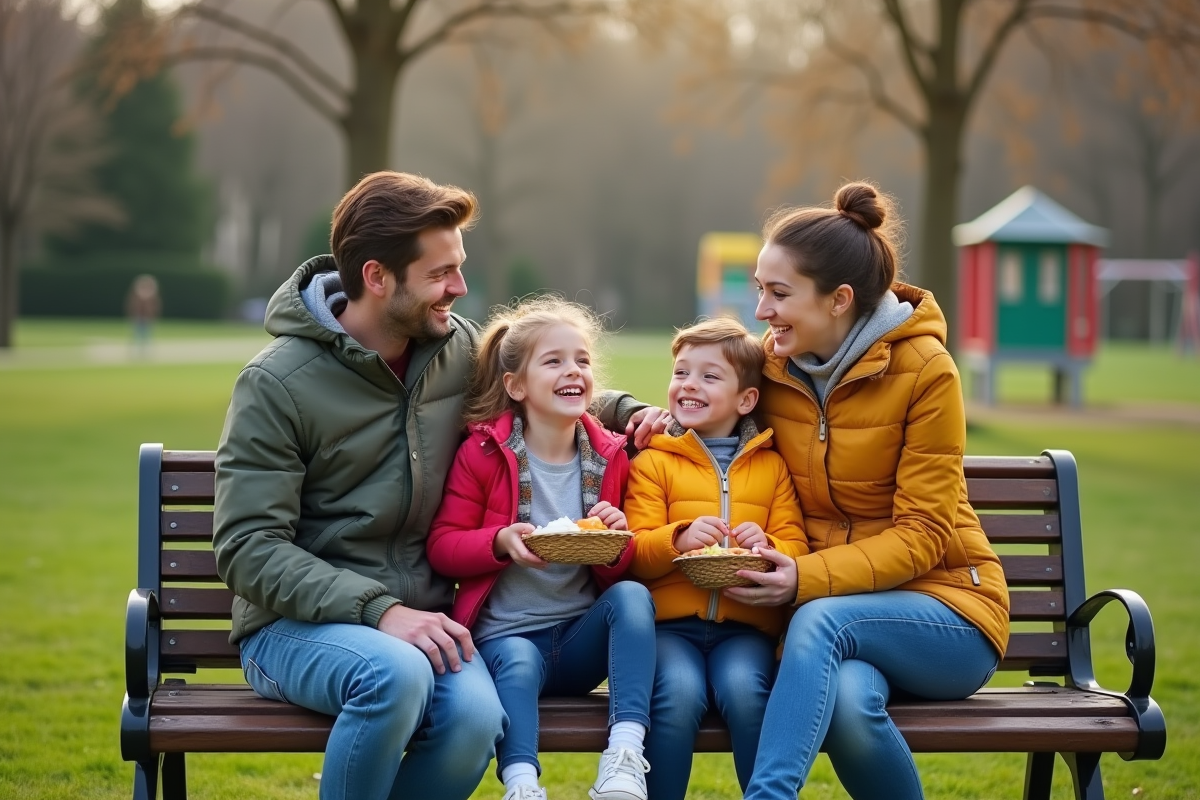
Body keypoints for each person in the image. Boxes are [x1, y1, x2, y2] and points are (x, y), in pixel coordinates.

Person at [213, 171, 668, 800]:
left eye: (459, 267)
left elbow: (542, 383)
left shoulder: (452, 348)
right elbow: (247, 547)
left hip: (427, 623)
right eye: (440, 274)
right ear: (377, 278)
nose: (458, 287)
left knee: (478, 718)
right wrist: (380, 611)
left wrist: (630, 410)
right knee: (396, 675)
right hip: (296, 626)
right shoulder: (276, 384)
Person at [728, 181, 1011, 800]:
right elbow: (698, 384)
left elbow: (925, 535)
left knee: (820, 619)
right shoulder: (771, 365)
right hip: (842, 624)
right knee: (851, 704)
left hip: (950, 615)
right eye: (759, 290)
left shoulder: (926, 372)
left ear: (839, 300)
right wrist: (631, 411)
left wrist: (804, 579)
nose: (761, 312)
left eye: (779, 294)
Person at [427, 296, 657, 800]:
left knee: (634, 601)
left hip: (579, 642)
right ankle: (522, 784)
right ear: (516, 385)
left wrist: (615, 539)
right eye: (553, 361)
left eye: (581, 360)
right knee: (519, 658)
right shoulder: (484, 454)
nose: (572, 370)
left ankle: (623, 757)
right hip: (508, 643)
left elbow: (619, 576)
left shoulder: (610, 457)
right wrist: (499, 541)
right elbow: (443, 545)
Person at [623, 317, 809, 800]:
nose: (689, 385)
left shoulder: (771, 466)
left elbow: (796, 547)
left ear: (746, 400)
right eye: (681, 372)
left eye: (709, 376)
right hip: (670, 629)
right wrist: (678, 537)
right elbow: (633, 552)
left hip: (744, 629)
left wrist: (767, 546)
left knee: (748, 694)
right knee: (678, 695)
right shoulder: (654, 462)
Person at [125, 274, 161, 353]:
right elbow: (133, 306)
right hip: (139, 318)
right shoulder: (138, 296)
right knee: (137, 335)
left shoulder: (150, 297)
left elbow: (154, 308)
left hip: (146, 318)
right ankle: (136, 350)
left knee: (146, 335)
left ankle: (145, 350)